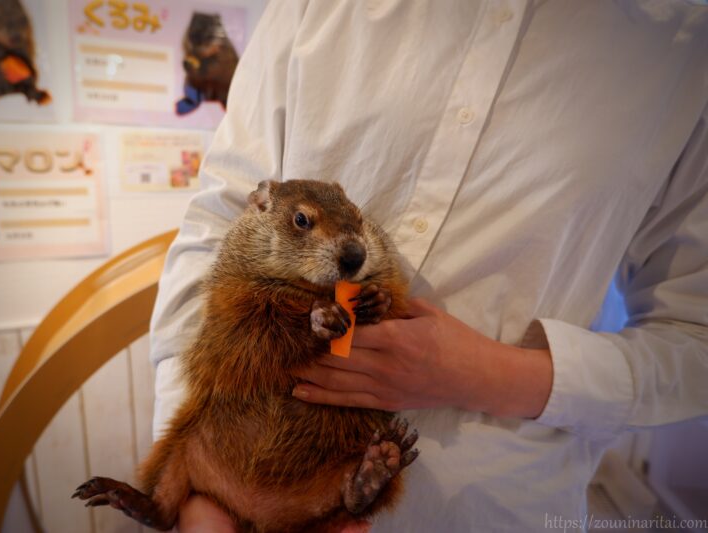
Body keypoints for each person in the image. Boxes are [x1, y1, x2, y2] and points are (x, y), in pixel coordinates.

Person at [149, 1, 708, 531]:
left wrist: (490, 374)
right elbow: (219, 218)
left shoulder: (682, 52)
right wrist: (199, 482)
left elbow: (695, 337)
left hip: (491, 504)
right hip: (230, 471)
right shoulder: (311, 9)